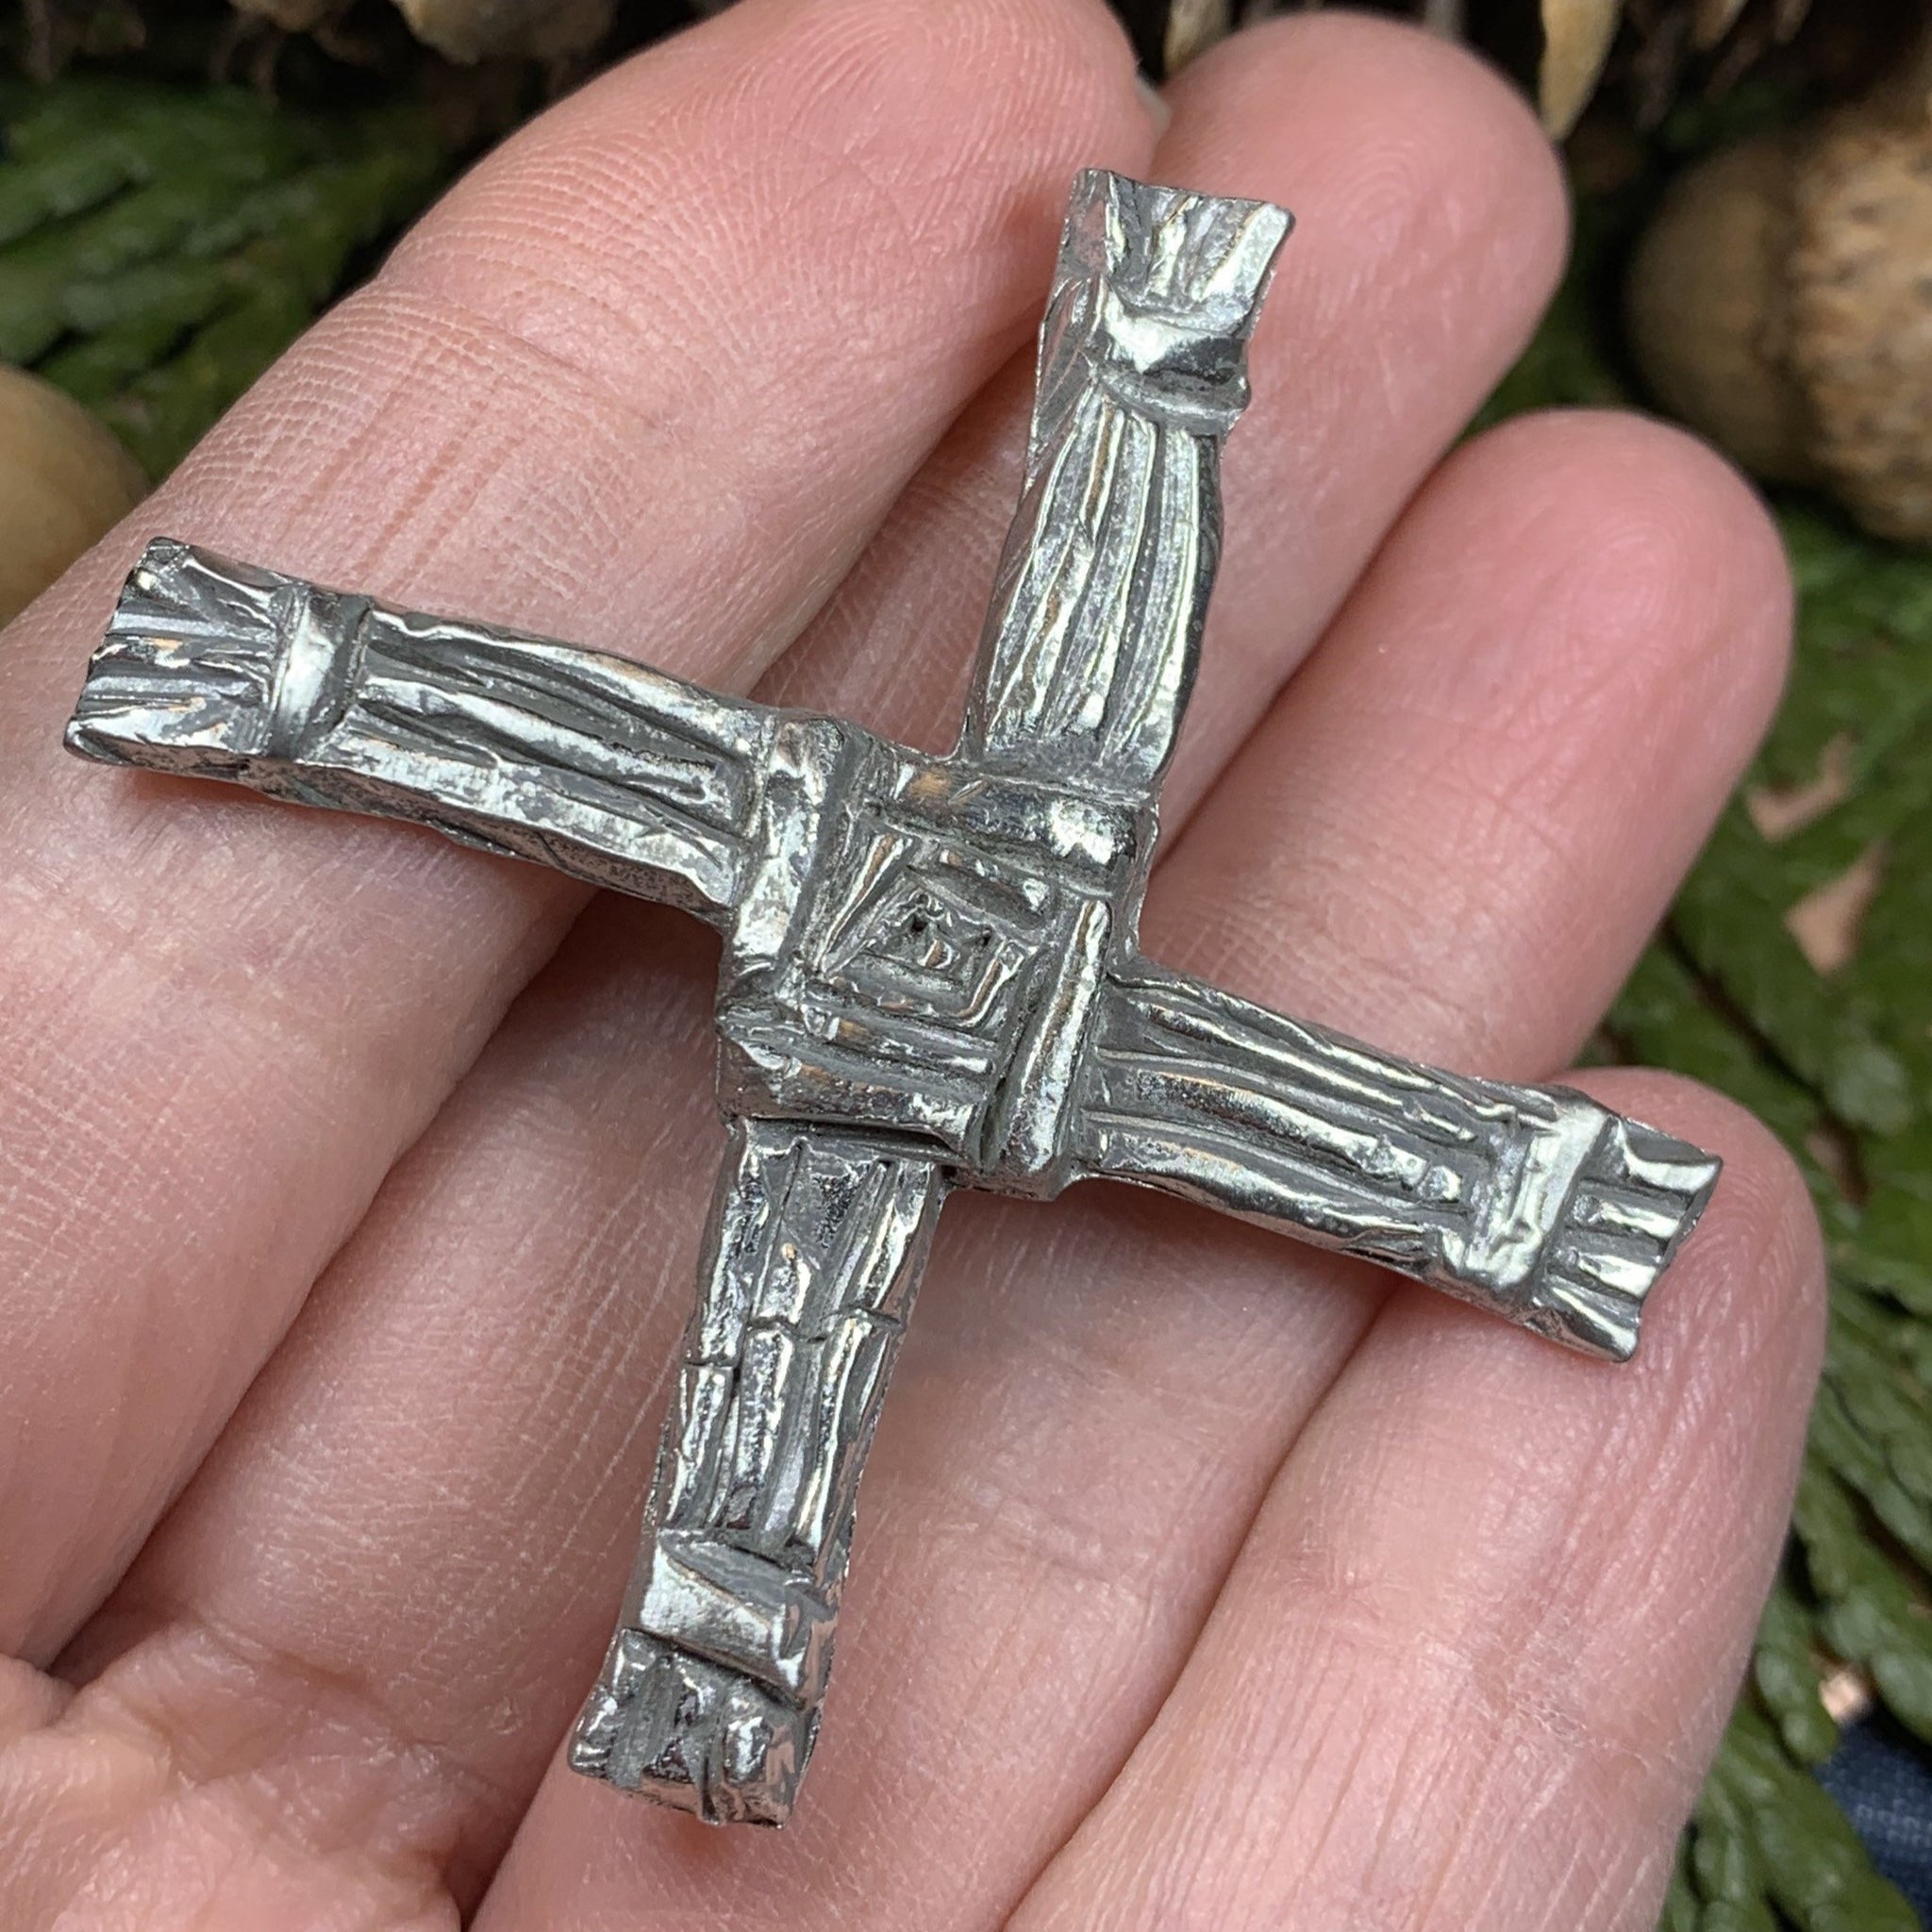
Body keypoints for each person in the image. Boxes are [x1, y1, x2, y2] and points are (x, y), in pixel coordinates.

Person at [0, 1, 1822, 1924]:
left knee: (1253, 1108)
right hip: (893, 966)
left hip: (955, 979)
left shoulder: (924, 920)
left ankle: (721, 1680)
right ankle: (719, 1679)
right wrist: (281, 681)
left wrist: (286, 679)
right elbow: (538, 747)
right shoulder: (850, 875)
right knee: (757, 894)